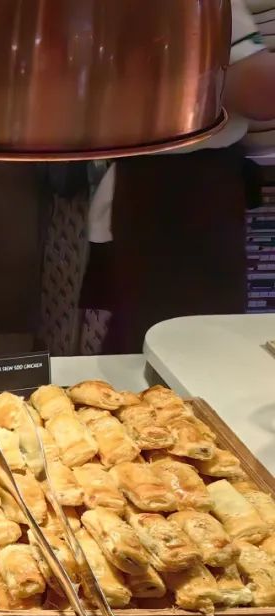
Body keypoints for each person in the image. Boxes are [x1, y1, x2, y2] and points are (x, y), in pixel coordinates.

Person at [81, 0, 275, 353]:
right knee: (192, 345)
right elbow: (258, 90)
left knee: (142, 336)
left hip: (149, 184)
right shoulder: (203, 5)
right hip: (184, 196)